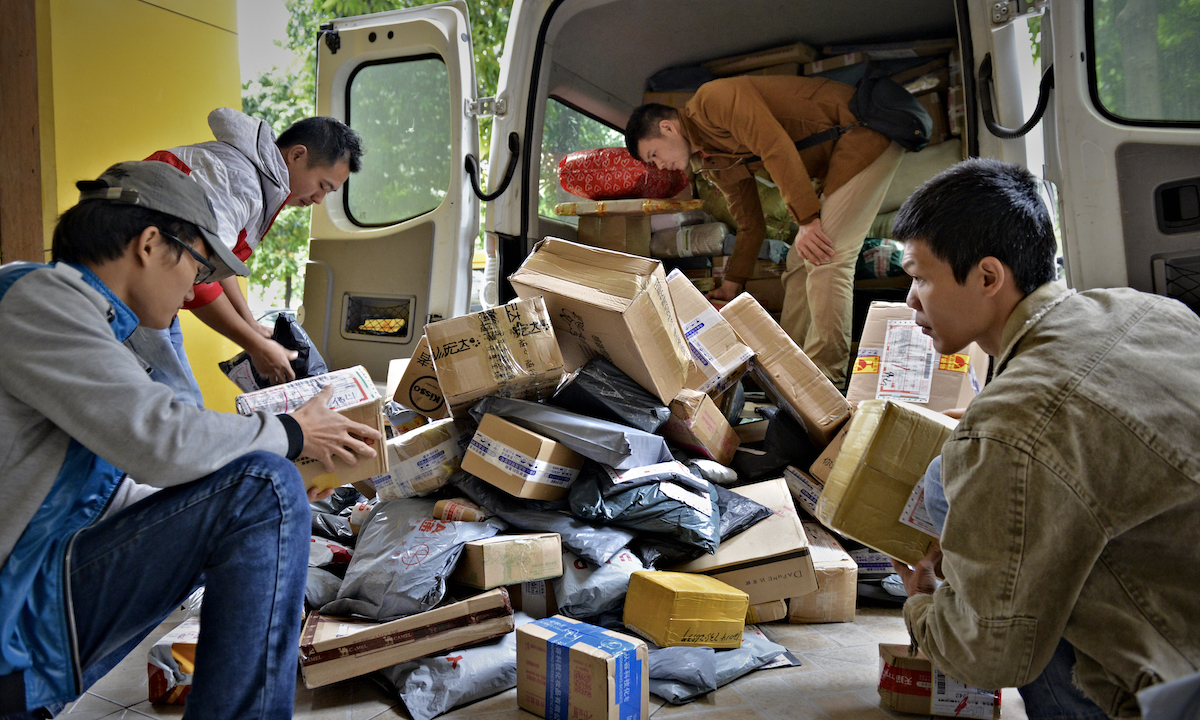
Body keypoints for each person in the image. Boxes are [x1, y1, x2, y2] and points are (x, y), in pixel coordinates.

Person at [0, 161, 382, 719]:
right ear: (151, 245)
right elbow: (160, 437)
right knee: (264, 487)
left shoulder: (91, 322)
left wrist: (272, 491)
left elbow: (118, 486)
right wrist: (293, 433)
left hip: (43, 580)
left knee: (266, 492)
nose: (193, 291)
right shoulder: (37, 299)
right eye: (199, 265)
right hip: (20, 598)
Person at [887, 158, 1200, 719]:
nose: (911, 300)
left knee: (1004, 615)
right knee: (944, 477)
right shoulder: (1146, 309)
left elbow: (987, 657)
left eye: (919, 277)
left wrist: (927, 603)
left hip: (1184, 683)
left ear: (987, 277)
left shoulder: (1009, 428)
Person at [625, 75, 904, 386]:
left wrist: (808, 219)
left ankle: (825, 380)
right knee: (798, 264)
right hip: (840, 156)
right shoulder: (711, 160)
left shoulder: (712, 101)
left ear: (667, 128)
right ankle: (790, 368)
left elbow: (774, 145)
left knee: (827, 257)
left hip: (863, 130)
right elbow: (750, 223)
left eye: (654, 155)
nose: (659, 166)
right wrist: (732, 284)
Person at [126, 109, 364, 406]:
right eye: (323, 186)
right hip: (131, 291)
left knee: (182, 405)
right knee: (180, 406)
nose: (318, 199)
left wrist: (250, 324)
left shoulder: (258, 182)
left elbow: (214, 266)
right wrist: (254, 345)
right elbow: (192, 273)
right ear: (297, 155)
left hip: (154, 296)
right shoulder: (239, 181)